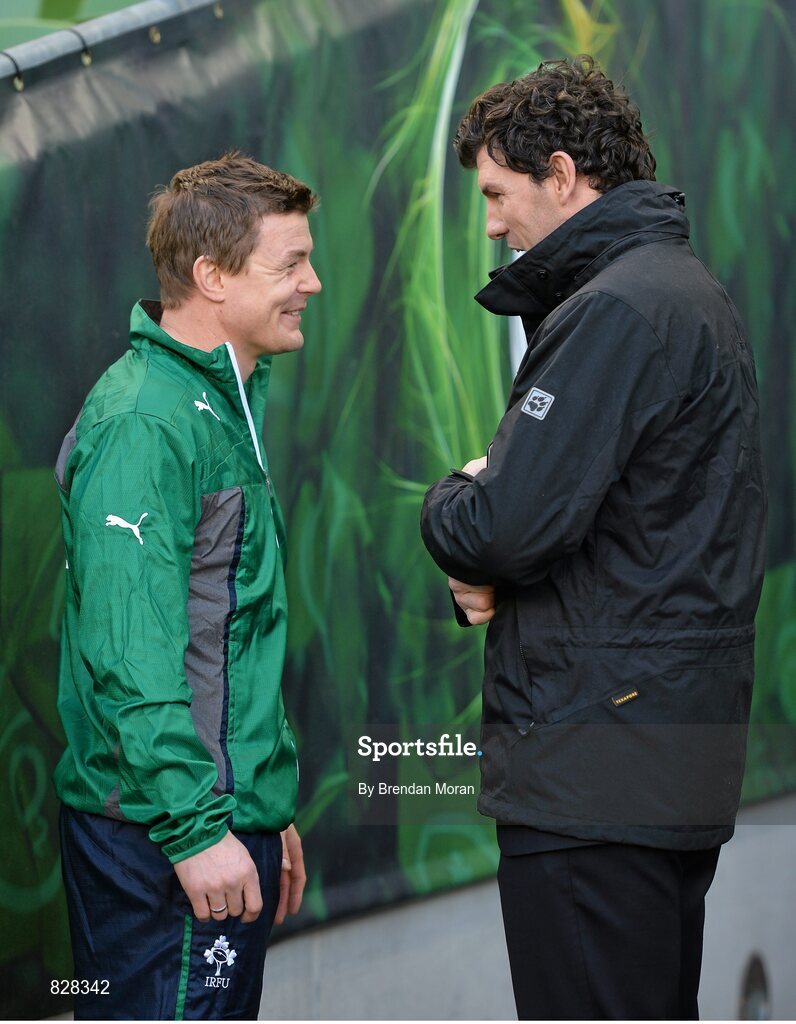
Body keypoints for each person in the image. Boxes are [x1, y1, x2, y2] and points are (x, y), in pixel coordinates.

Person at [420, 56, 766, 1020]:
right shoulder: (682, 291)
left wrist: (455, 499)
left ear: (563, 174)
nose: (489, 222)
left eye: (497, 192)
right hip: (652, 759)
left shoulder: (616, 307)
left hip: (593, 770)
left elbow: (503, 526)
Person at [54, 152, 321, 1020]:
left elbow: (227, 627)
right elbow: (131, 655)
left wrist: (263, 802)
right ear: (211, 276)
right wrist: (199, 828)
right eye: (290, 264)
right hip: (157, 840)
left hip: (210, 817)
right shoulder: (145, 420)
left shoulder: (221, 399)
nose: (311, 284)